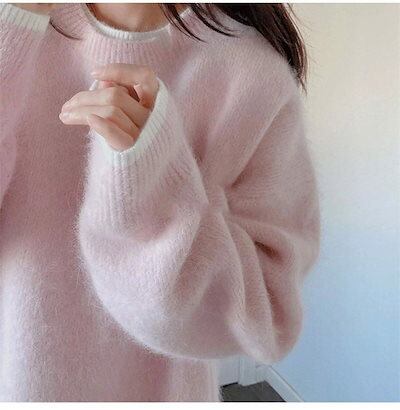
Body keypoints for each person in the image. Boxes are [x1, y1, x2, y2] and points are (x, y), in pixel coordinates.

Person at [0, 2, 321, 402]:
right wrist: (10, 40)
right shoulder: (17, 26)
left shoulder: (252, 76)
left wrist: (154, 179)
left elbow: (267, 318)